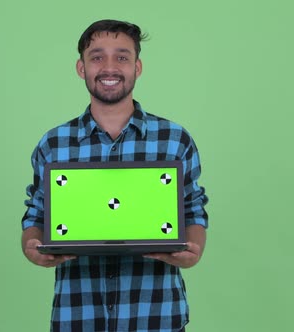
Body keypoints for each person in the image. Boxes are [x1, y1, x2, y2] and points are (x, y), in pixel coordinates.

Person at [21, 19, 209, 332]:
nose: (109, 67)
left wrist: (192, 252)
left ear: (138, 67)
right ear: (82, 68)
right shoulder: (54, 143)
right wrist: (32, 246)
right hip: (78, 314)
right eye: (97, 57)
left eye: (122, 57)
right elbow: (36, 216)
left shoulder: (175, 140)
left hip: (156, 313)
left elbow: (193, 210)